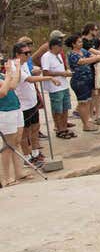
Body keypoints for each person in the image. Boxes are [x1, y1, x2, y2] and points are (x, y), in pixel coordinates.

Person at [13, 42, 59, 167]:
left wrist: (35, 71)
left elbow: (30, 74)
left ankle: (35, 152)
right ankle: (27, 157)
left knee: (35, 128)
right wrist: (48, 78)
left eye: (29, 52)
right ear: (17, 54)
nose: (29, 55)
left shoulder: (24, 63)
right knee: (25, 133)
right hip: (23, 105)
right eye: (26, 53)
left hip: (32, 102)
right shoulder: (15, 66)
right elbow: (29, 79)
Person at [65, 34, 100, 131]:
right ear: (73, 44)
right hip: (79, 81)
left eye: (81, 41)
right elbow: (82, 61)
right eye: (79, 42)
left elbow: (92, 56)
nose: (81, 43)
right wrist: (98, 57)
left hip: (88, 80)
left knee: (88, 102)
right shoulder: (72, 54)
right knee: (83, 103)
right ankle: (85, 124)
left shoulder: (83, 51)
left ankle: (88, 121)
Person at [41, 38, 75, 139]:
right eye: (59, 46)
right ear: (53, 46)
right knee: (57, 109)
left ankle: (64, 127)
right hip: (55, 87)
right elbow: (45, 72)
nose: (61, 48)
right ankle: (59, 129)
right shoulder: (46, 57)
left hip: (64, 85)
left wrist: (66, 72)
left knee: (65, 107)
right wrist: (61, 73)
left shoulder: (59, 55)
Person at [0, 56, 26, 186]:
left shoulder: (2, 75)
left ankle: (19, 172)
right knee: (8, 145)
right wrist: (9, 74)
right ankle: (6, 178)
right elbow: (3, 92)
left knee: (16, 141)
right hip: (5, 112)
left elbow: (13, 85)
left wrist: (18, 68)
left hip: (15, 108)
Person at [81, 23, 100, 119]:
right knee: (92, 93)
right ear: (90, 30)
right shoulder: (83, 41)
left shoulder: (96, 40)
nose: (96, 31)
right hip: (90, 68)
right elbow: (94, 51)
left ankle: (98, 114)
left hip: (98, 67)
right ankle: (90, 115)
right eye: (95, 30)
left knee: (98, 91)